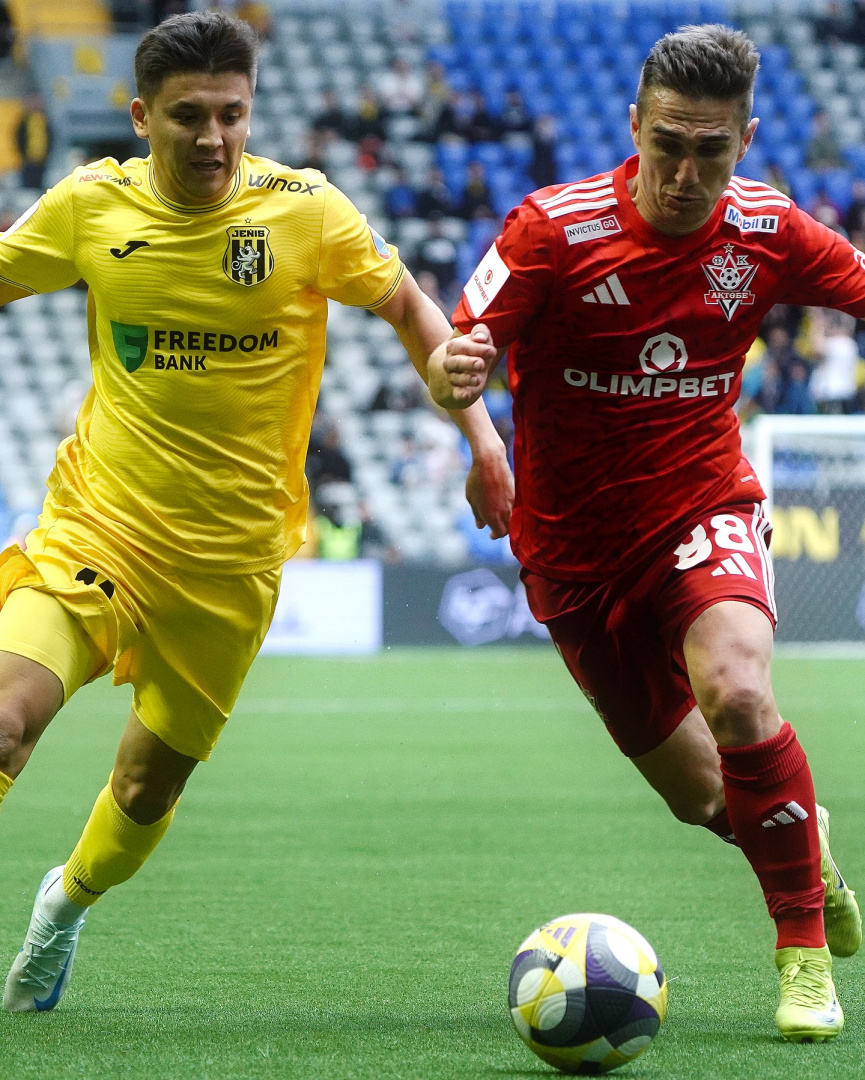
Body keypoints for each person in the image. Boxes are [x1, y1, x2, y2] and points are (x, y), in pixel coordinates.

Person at [0, 11, 511, 1013]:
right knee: (5, 719)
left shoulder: (306, 211)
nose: (213, 138)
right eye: (188, 116)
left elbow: (412, 311)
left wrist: (482, 440)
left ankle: (65, 904)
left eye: (232, 115)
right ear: (141, 116)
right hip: (96, 530)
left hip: (230, 568)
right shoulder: (89, 206)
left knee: (144, 790)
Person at [428, 24, 862, 1044]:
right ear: (633, 126)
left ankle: (801, 955)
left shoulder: (765, 228)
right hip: (571, 553)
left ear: (744, 141)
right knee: (703, 797)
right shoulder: (552, 230)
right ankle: (809, 853)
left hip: (700, 508)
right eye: (666, 143)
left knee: (738, 691)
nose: (683, 173)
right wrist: (458, 382)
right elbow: (460, 348)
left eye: (709, 150)